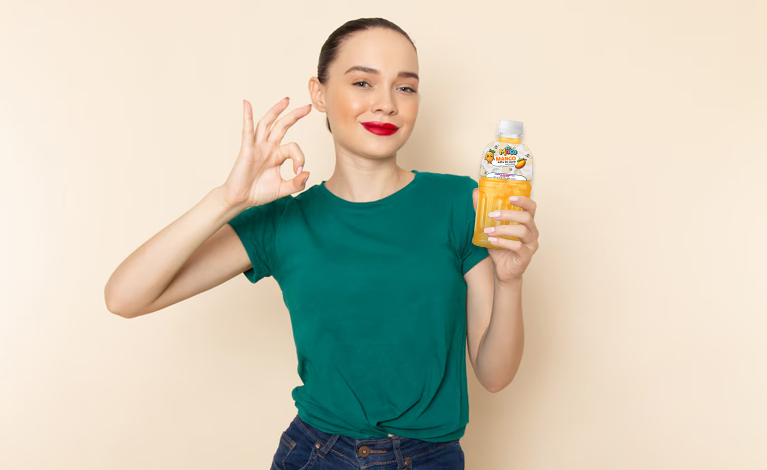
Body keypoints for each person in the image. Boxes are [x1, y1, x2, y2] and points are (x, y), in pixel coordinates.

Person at [104, 17, 540, 470]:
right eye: (363, 82)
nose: (386, 104)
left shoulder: (459, 202)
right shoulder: (282, 221)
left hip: (428, 458)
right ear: (319, 94)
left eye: (405, 88)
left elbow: (494, 376)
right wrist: (227, 200)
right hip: (315, 455)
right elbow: (124, 298)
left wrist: (510, 281)